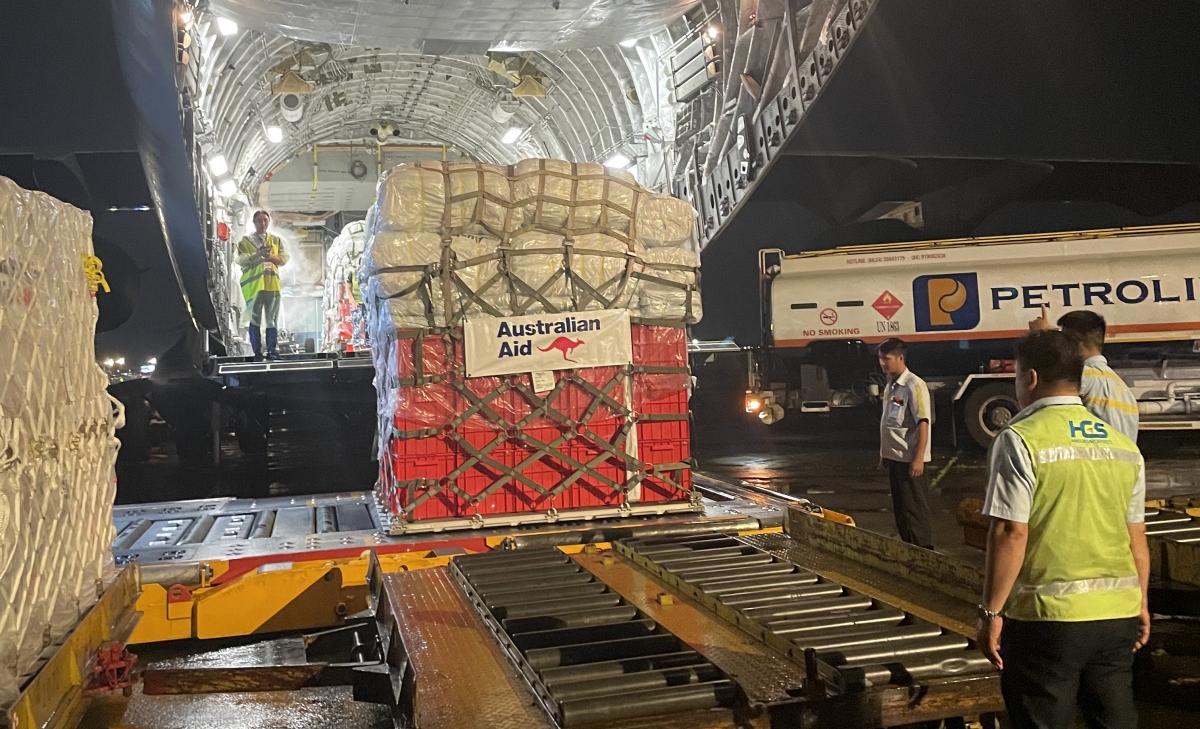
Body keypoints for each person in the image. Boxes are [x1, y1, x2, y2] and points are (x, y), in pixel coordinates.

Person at [977, 329, 1150, 729]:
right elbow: (1136, 540)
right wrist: (1140, 603)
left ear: (1031, 378)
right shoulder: (1122, 446)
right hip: (1117, 617)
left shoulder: (1020, 439)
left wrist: (991, 612)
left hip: (1048, 622)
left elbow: (1010, 533)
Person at [1030, 306, 1138, 441]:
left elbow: (1049, 374)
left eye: (1064, 342)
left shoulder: (1084, 377)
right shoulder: (1124, 390)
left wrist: (1040, 337)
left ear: (1076, 343)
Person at [876, 338, 934, 549]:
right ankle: (909, 549)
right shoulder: (891, 384)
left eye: (887, 359)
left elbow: (923, 422)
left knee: (915, 510)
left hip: (910, 458)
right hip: (895, 457)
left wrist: (919, 457)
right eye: (881, 359)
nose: (882, 363)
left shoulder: (914, 385)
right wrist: (885, 454)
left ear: (900, 358)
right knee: (901, 509)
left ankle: (924, 552)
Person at [235, 210, 288, 361]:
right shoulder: (245, 241)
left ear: (269, 222)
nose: (263, 223)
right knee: (255, 320)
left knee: (272, 319)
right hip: (254, 287)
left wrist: (270, 256)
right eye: (259, 220)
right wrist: (258, 255)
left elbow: (283, 259)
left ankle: (272, 351)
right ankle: (257, 352)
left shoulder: (276, 240)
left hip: (272, 286)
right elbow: (240, 260)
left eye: (265, 220)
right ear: (254, 222)